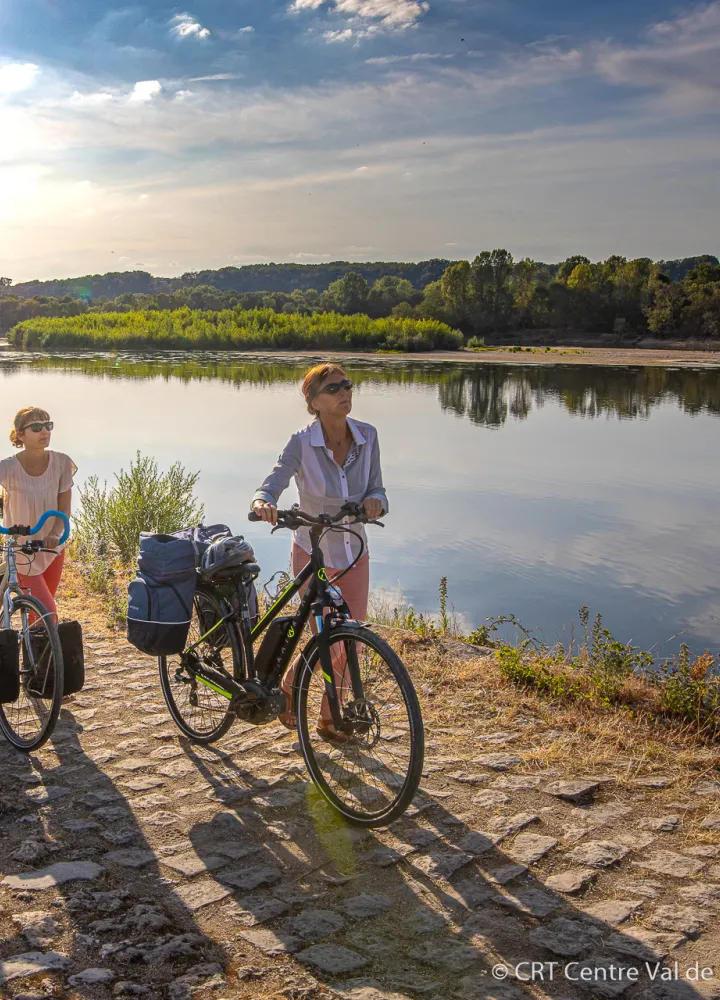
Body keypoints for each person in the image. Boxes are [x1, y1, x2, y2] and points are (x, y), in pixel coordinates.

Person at [251, 363, 388, 741]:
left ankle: (323, 713)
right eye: (334, 388)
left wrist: (376, 502)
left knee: (350, 641)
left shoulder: (368, 436)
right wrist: (264, 502)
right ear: (313, 402)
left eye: (347, 385)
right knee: (331, 639)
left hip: (355, 553)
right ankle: (307, 696)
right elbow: (274, 481)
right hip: (312, 553)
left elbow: (378, 488)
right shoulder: (301, 442)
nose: (345, 392)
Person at [0, 407, 76, 624]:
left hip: (51, 546)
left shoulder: (62, 463)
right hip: (21, 549)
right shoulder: (7, 467)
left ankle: (35, 647)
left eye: (47, 426)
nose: (44, 431)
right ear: (20, 435)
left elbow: (64, 508)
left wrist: (55, 533)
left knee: (39, 616)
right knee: (47, 612)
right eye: (36, 427)